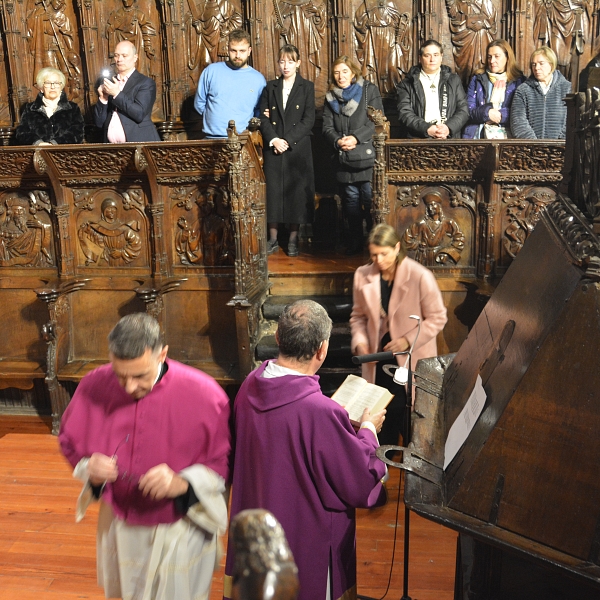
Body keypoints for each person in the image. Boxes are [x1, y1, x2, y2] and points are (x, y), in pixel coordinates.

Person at [58, 313, 231, 600]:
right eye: (120, 375)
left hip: (179, 526)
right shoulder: (93, 385)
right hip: (120, 524)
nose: (128, 387)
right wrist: (91, 467)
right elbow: (71, 441)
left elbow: (223, 461)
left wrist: (184, 483)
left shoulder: (205, 393)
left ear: (162, 354)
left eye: (140, 376)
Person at [224, 299, 387, 600]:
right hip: (303, 539)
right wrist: (367, 430)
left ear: (277, 338)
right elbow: (358, 479)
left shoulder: (249, 386)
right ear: (322, 349)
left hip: (256, 533)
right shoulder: (319, 411)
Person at [350, 223, 447, 446]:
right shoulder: (362, 275)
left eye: (384, 254)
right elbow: (357, 317)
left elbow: (438, 317)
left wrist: (406, 340)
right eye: (373, 255)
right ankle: (380, 466)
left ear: (396, 248)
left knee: (405, 413)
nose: (378, 260)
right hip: (378, 358)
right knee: (379, 411)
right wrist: (361, 342)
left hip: (410, 359)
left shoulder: (420, 276)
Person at [322, 55, 384, 255]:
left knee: (369, 200)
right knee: (350, 204)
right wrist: (338, 141)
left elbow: (377, 121)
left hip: (365, 156)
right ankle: (356, 243)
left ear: (353, 72)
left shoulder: (368, 91)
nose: (341, 76)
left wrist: (355, 138)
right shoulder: (331, 96)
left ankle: (374, 244)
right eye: (337, 72)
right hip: (344, 158)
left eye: (345, 71)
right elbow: (326, 127)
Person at [260, 44, 315, 257]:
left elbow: (308, 119)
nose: (286, 66)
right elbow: (263, 117)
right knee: (272, 192)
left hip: (297, 148)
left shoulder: (306, 87)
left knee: (296, 194)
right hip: (274, 147)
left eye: (290, 61)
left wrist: (287, 140)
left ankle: (293, 239)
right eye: (282, 61)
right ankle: (272, 238)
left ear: (298, 63)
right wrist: (274, 140)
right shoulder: (270, 87)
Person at [194, 29, 266, 138]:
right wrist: (214, 118)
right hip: (211, 138)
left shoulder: (258, 79)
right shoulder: (211, 71)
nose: (237, 55)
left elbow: (258, 111)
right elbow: (199, 103)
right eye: (233, 50)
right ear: (228, 49)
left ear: (249, 51)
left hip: (243, 139)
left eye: (242, 51)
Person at [396, 39, 469, 139]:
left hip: (448, 138)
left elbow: (463, 109)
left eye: (436, 55)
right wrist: (427, 129)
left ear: (441, 56)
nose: (432, 59)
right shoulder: (407, 84)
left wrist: (448, 128)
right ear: (420, 58)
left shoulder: (453, 80)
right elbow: (405, 113)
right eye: (427, 55)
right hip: (418, 138)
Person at [94, 40, 161, 142]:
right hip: (112, 150)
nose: (119, 59)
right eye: (116, 55)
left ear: (135, 57)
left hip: (139, 146)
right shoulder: (111, 83)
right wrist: (103, 99)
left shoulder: (145, 83)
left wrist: (117, 94)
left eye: (124, 56)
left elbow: (139, 114)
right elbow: (99, 124)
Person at [463, 39, 526, 139]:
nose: (492, 61)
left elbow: (522, 112)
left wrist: (500, 116)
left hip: (509, 136)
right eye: (489, 57)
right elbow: (467, 110)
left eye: (497, 56)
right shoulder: (477, 79)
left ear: (507, 57)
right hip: (478, 134)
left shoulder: (519, 81)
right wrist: (487, 113)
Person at [510, 46, 572, 140]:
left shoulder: (567, 88)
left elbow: (572, 120)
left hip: (562, 148)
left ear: (551, 64)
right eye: (534, 64)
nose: (536, 68)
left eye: (541, 63)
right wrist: (534, 144)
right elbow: (518, 121)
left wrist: (561, 143)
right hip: (531, 149)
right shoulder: (523, 90)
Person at [15, 67, 84, 145]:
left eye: (57, 83)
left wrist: (54, 144)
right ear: (41, 88)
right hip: (38, 153)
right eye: (48, 83)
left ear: (61, 87)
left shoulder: (73, 108)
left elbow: (77, 133)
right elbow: (22, 133)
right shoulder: (30, 109)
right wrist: (39, 143)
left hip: (65, 154)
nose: (53, 86)